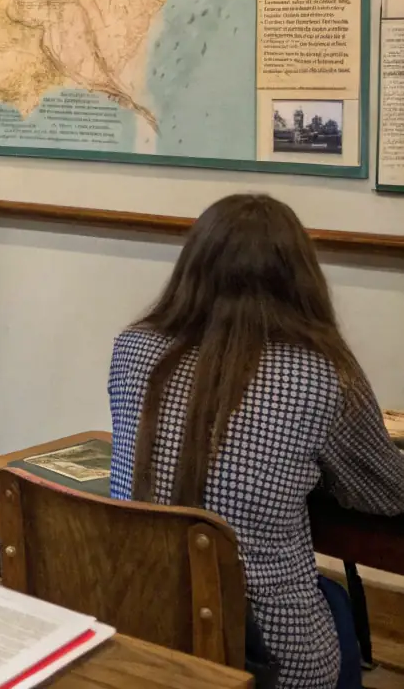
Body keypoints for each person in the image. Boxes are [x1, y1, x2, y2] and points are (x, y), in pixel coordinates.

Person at [109, 193, 404, 689]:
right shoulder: (322, 374)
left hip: (142, 617)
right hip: (262, 652)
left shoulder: (133, 347)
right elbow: (387, 494)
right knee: (333, 605)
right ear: (301, 277)